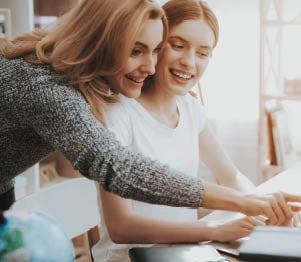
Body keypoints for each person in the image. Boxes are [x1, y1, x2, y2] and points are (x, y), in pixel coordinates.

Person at [0, 0, 301, 221]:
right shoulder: (46, 86)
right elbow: (119, 168)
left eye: (155, 50)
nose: (149, 67)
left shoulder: (71, 68)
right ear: (101, 41)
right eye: (136, 50)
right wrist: (242, 202)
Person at [92, 1, 289, 259]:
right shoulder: (119, 115)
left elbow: (231, 176)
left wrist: (266, 208)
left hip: (184, 254)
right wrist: (212, 229)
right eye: (178, 45)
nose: (189, 61)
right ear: (157, 44)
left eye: (203, 52)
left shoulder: (189, 108)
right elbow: (121, 227)